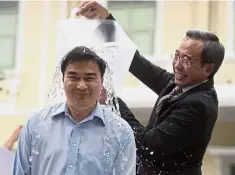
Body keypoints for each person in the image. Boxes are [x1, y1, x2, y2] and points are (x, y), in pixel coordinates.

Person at [77, 1, 225, 175]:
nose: (177, 65)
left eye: (187, 60)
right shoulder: (177, 85)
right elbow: (137, 62)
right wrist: (105, 21)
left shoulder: (198, 105)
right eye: (176, 56)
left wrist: (111, 101)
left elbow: (148, 147)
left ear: (208, 69)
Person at [13, 46, 136, 175]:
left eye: (89, 78)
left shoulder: (120, 132)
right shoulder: (35, 125)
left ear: (102, 82)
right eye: (73, 77)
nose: (81, 86)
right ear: (63, 80)